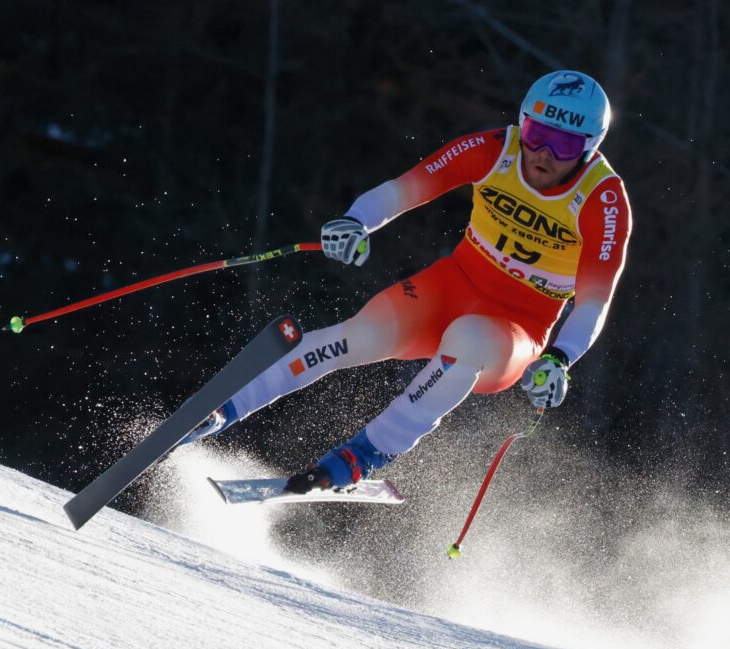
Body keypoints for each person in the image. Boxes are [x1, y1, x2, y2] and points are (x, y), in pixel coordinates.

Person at [183, 70, 633, 493]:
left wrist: (559, 359)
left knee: (469, 339)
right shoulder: (496, 150)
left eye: (565, 145)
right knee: (358, 336)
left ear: (591, 148)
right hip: (452, 285)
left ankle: (367, 452)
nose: (544, 155)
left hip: (517, 326)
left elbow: (595, 302)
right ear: (522, 125)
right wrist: (355, 222)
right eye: (538, 135)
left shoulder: (603, 200)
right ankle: (224, 409)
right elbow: (407, 188)